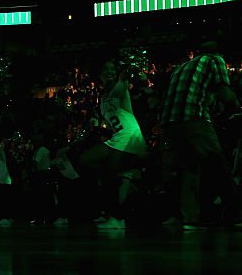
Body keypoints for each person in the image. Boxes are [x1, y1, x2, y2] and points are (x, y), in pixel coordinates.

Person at [160, 40, 240, 228]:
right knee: (217, 162)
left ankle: (188, 217)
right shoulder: (214, 60)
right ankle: (236, 213)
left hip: (169, 122)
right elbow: (225, 93)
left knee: (188, 168)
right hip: (193, 117)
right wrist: (236, 106)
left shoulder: (182, 67)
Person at [75, 60, 147, 229]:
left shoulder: (120, 86)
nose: (109, 71)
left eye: (112, 69)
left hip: (129, 135)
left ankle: (116, 217)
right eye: (105, 69)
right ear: (99, 75)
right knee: (84, 160)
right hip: (118, 136)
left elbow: (120, 86)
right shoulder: (102, 97)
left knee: (108, 175)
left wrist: (124, 74)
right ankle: (123, 175)